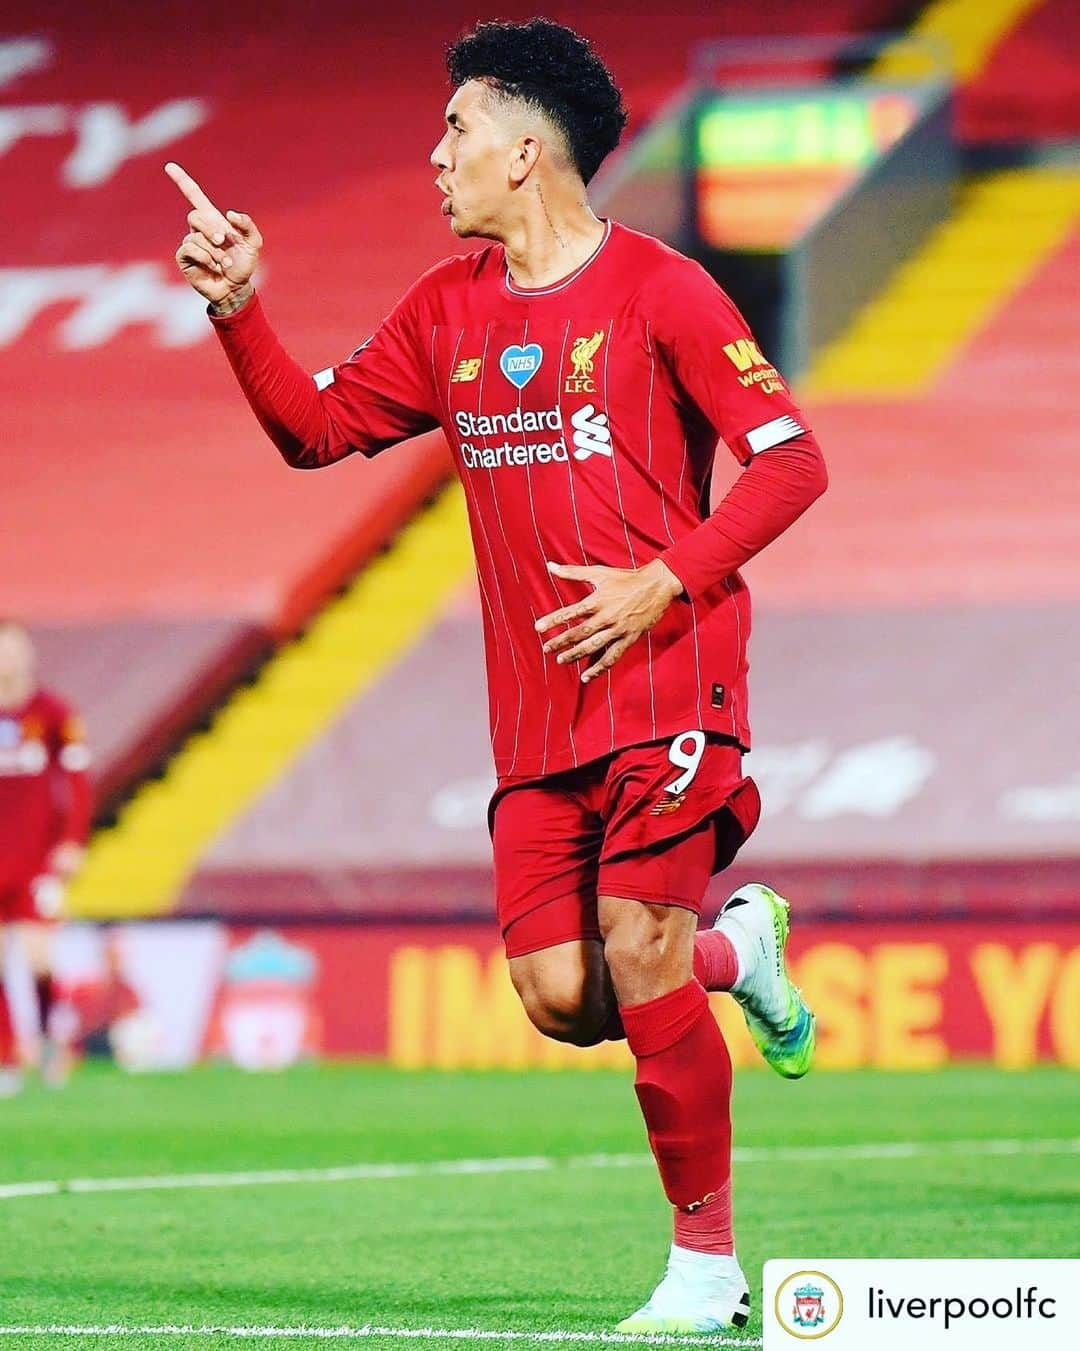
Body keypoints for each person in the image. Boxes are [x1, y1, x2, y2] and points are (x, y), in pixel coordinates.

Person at [167, 18, 827, 1333]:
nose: (437, 154)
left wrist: (664, 577)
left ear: (527, 150)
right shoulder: (446, 308)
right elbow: (315, 430)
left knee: (633, 947)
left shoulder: (665, 290)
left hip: (670, 678)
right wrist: (238, 305)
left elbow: (793, 459)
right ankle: (737, 948)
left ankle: (706, 1262)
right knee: (564, 994)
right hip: (540, 716)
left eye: (457, 128)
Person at [0, 620, 92, 1093]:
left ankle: (52, 1041)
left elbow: (76, 783)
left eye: (14, 650)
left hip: (35, 860)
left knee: (38, 957)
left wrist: (72, 841)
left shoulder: (52, 714)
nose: (7, 660)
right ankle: (6, 1057)